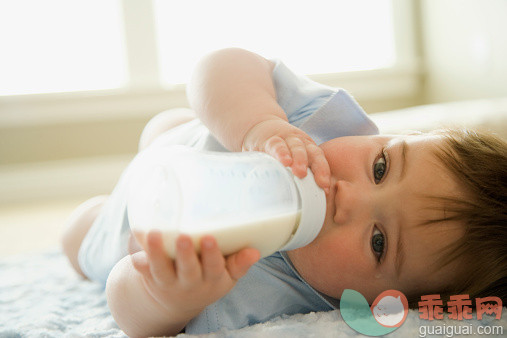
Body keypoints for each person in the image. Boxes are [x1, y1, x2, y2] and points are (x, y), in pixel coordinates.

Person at [61, 48, 507, 337]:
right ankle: (162, 139)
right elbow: (220, 66)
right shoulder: (320, 124)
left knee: (77, 241)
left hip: (127, 222)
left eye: (378, 243)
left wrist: (167, 298)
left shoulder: (264, 301)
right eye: (381, 166)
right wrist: (259, 124)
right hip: (185, 147)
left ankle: (93, 215)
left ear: (379, 303)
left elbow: (125, 300)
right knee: (175, 123)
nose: (347, 197)